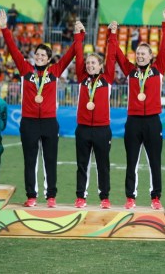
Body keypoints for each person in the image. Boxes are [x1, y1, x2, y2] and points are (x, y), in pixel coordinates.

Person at [0, 9, 82, 207]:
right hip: (29, 123)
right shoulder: (26, 70)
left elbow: (71, 54)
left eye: (44, 55)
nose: (40, 57)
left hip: (50, 123)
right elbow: (13, 49)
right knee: (30, 161)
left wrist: (79, 35)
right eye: (38, 54)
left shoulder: (55, 72)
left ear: (49, 59)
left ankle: (50, 196)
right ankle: (31, 196)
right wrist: (4, 28)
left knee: (50, 160)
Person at [113, 8, 165, 210]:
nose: (139, 56)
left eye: (143, 54)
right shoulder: (130, 71)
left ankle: (156, 197)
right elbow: (118, 55)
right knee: (132, 162)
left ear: (151, 56)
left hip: (153, 121)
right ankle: (131, 197)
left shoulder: (158, 70)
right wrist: (112, 34)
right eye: (137, 53)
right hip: (134, 121)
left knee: (155, 161)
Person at [73, 20, 117, 209]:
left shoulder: (107, 79)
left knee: (102, 165)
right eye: (88, 63)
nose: (90, 65)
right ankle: (81, 197)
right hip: (83, 128)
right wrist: (78, 36)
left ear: (100, 66)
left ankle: (104, 197)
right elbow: (78, 55)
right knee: (82, 164)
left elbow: (112, 56)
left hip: (101, 129)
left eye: (94, 63)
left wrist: (112, 35)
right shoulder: (82, 79)